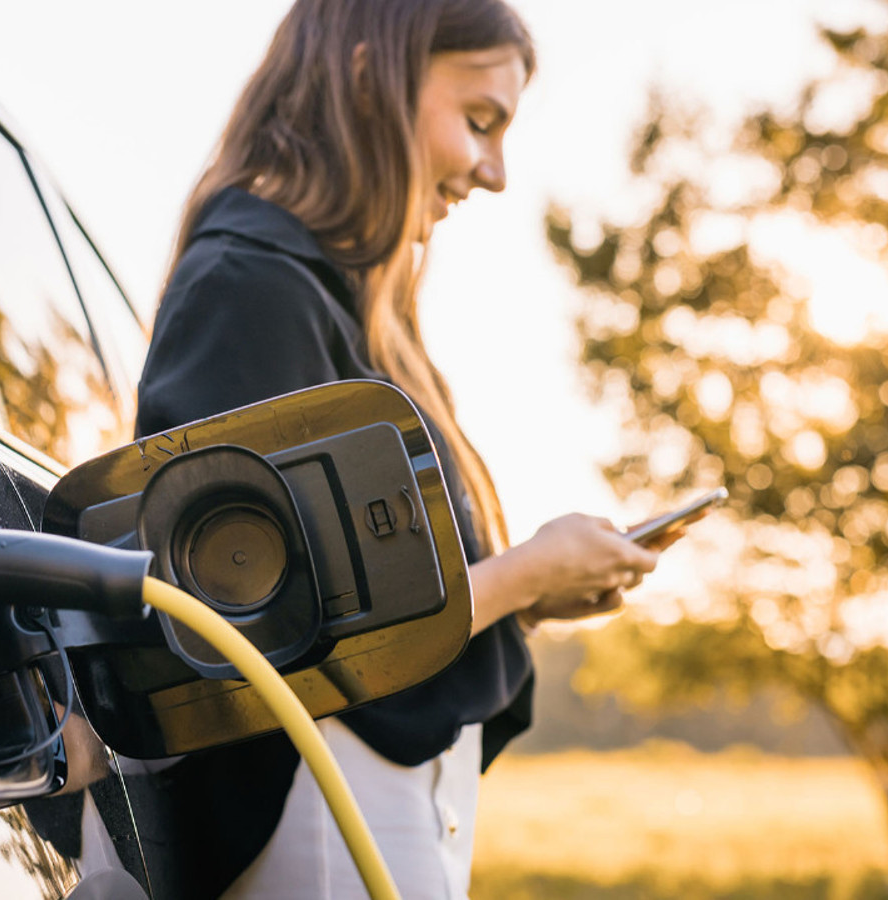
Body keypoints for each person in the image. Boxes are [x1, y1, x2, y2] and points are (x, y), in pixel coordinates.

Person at [133, 1, 661, 897]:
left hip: (376, 798)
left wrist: (531, 600)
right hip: (320, 802)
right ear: (370, 76)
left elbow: (364, 589)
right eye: (479, 121)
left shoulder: (342, 302)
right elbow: (249, 626)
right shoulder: (252, 285)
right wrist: (526, 574)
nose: (493, 172)